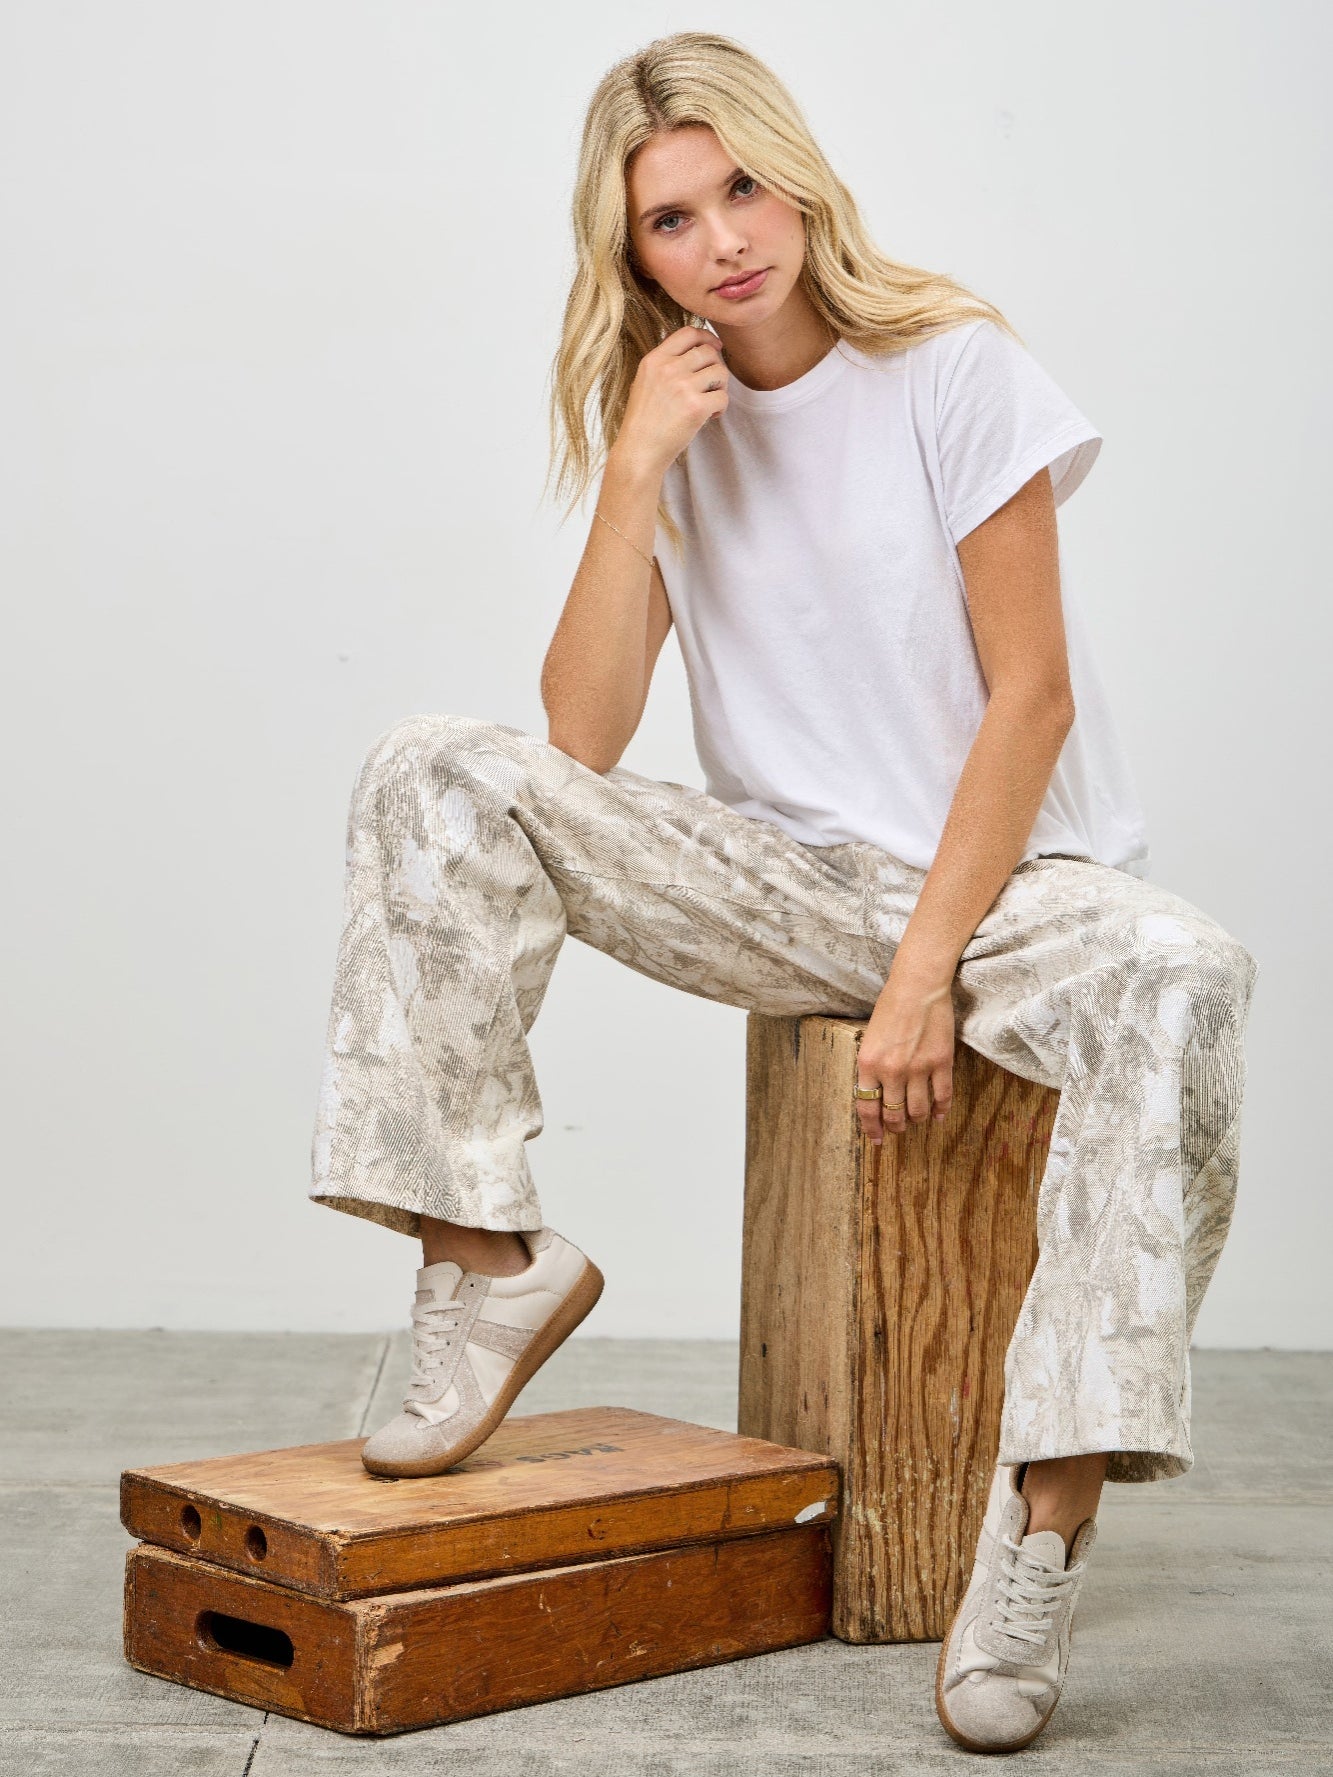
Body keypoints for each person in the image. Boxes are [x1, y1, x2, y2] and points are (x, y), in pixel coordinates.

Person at [308, 30, 1258, 1755]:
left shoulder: (952, 367)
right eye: (672, 220)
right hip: (781, 876)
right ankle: (481, 1256)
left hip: (1011, 885)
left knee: (1187, 969)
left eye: (740, 185)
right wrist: (632, 475)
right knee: (434, 766)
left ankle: (1034, 1533)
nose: (724, 236)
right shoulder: (664, 414)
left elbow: (1027, 699)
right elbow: (580, 741)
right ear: (636, 261)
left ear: (796, 173)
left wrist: (922, 975)